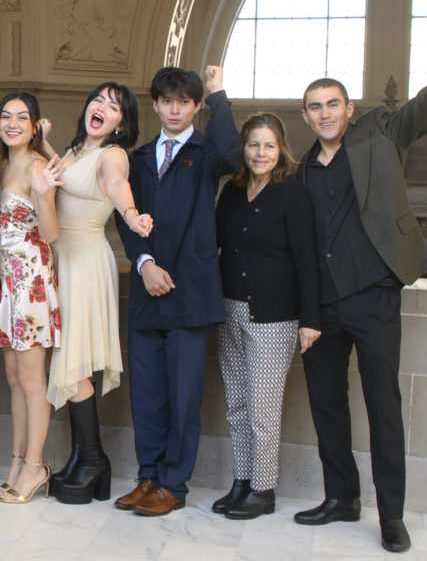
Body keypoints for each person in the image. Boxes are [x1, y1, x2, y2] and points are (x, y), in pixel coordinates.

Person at [293, 0, 427, 553]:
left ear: (348, 109)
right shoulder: (303, 168)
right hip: (323, 306)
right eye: (315, 107)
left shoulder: (381, 132)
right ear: (305, 116)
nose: (325, 114)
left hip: (374, 296)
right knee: (327, 403)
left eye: (333, 104)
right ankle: (340, 498)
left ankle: (391, 515)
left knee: (382, 406)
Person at [114, 65, 237, 516]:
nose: (174, 109)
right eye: (167, 101)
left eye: (184, 102)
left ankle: (173, 485)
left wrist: (220, 94)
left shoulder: (207, 154)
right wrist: (143, 264)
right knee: (146, 394)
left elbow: (232, 153)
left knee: (184, 397)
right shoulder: (140, 158)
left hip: (191, 294)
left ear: (196, 107)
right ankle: (148, 477)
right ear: (155, 104)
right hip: (148, 292)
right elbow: (123, 217)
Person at [47, 83, 153, 505]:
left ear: (121, 123)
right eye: (98, 100)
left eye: (113, 108)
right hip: (62, 259)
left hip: (85, 262)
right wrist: (41, 137)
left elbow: (116, 185)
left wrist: (131, 214)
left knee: (74, 365)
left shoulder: (112, 154)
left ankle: (92, 459)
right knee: (72, 364)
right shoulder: (76, 150)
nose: (102, 109)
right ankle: (84, 458)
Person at [212, 112, 319, 520]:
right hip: (230, 307)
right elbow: (217, 246)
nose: (260, 153)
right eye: (254, 145)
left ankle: (263, 488)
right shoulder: (232, 192)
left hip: (274, 317)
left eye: (269, 146)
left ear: (281, 150)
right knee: (237, 405)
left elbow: (308, 261)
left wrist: (310, 319)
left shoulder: (293, 194)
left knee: (262, 408)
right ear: (243, 148)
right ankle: (241, 482)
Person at [0, 92, 62, 504]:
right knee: (15, 379)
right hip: (7, 283)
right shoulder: (3, 166)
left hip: (32, 281)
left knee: (33, 381)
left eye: (22, 117)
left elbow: (51, 233)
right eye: (5, 116)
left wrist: (42, 193)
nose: (12, 123)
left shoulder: (37, 165)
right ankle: (17, 459)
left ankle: (35, 466)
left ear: (35, 125)